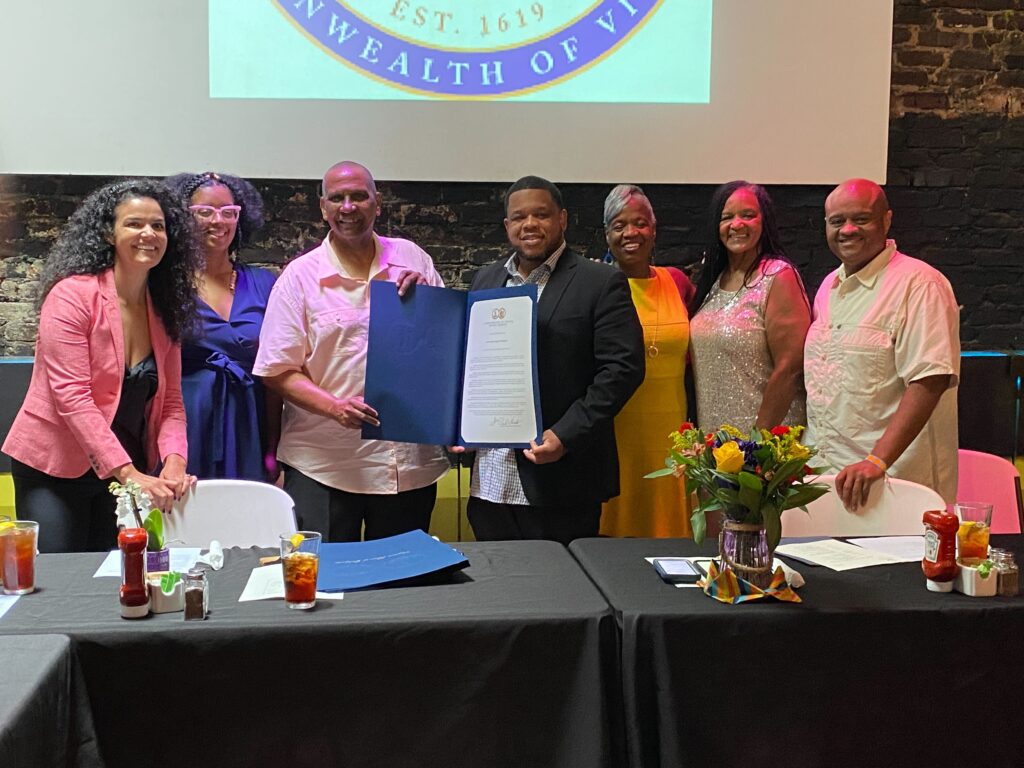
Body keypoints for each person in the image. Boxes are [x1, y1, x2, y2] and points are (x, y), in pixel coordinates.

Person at [253, 161, 449, 541]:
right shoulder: (299, 276)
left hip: (407, 465)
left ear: (377, 203)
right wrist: (334, 407)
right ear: (323, 207)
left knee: (400, 586)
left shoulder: (413, 259)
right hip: (323, 466)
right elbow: (276, 370)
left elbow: (442, 348)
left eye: (359, 196)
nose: (348, 207)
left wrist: (430, 300)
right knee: (326, 586)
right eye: (337, 198)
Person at [2, 179, 200, 552]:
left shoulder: (166, 308)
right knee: (61, 585)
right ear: (109, 234)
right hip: (55, 468)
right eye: (134, 224)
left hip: (126, 468)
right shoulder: (71, 296)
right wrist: (129, 475)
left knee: (118, 575)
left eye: (158, 226)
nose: (149, 234)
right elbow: (72, 398)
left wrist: (174, 462)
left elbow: (171, 400)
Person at [462, 175, 645, 545]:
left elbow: (622, 369)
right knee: (499, 592)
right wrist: (459, 427)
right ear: (507, 225)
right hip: (491, 482)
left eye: (541, 215)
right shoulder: (485, 280)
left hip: (563, 480)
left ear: (562, 219)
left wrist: (565, 435)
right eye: (519, 217)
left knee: (565, 597)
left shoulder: (600, 281)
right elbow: (470, 364)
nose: (530, 224)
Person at [804, 178, 959, 508]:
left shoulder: (920, 284)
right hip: (828, 479)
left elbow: (929, 379)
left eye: (860, 219)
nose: (848, 230)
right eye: (837, 221)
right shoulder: (829, 286)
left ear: (886, 220)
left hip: (894, 486)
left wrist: (877, 461)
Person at [166, 171, 281, 482]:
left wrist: (274, 450)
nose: (218, 221)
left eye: (228, 212)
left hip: (250, 422)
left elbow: (278, 373)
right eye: (204, 211)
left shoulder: (266, 284)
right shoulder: (163, 285)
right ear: (180, 217)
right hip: (187, 424)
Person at [598, 185, 694, 538]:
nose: (630, 234)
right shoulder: (596, 286)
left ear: (653, 229)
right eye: (618, 225)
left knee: (669, 532)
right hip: (616, 432)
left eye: (639, 223)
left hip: (670, 433)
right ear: (607, 235)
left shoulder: (679, 282)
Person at [689, 181, 810, 431]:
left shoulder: (778, 276)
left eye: (748, 215)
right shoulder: (715, 279)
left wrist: (756, 444)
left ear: (764, 222)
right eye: (727, 217)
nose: (737, 224)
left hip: (764, 445)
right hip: (718, 442)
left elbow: (790, 368)